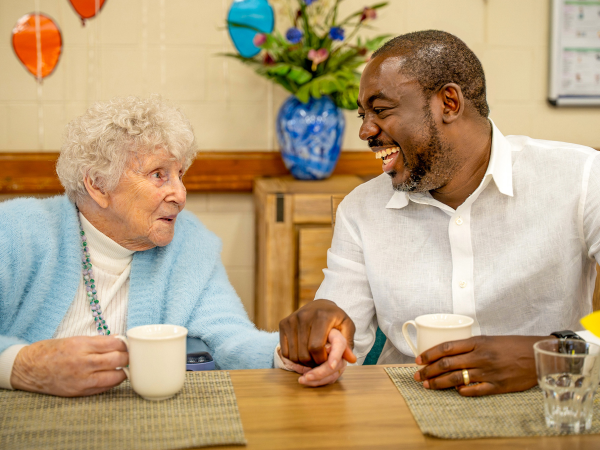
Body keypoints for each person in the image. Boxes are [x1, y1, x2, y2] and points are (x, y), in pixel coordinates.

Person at [279, 30, 600, 396]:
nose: (365, 130)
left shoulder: (583, 178)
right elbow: (341, 333)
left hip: (550, 410)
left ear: (449, 102)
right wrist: (319, 337)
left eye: (380, 110)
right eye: (363, 114)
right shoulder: (361, 209)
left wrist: (553, 355)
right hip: (404, 416)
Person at [0, 95, 346, 397]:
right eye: (158, 175)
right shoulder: (16, 232)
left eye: (180, 174)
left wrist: (292, 353)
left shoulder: (189, 241)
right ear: (98, 185)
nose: (179, 195)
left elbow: (227, 338)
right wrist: (21, 366)